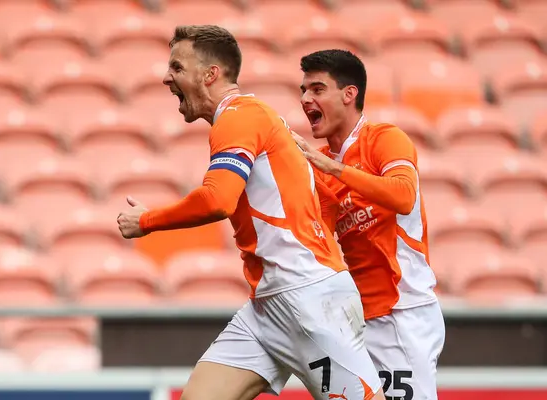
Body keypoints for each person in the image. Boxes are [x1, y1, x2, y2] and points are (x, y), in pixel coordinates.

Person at [117, 26, 385, 400]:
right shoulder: (258, 118)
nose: (166, 77)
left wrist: (147, 221)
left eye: (177, 66)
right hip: (268, 306)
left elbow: (218, 199)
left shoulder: (239, 118)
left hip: (306, 299)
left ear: (210, 74)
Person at [292, 49, 445, 400]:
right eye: (303, 90)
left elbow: (404, 195)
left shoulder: (383, 139)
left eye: (317, 89)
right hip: (358, 318)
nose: (305, 99)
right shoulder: (319, 165)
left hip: (402, 311)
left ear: (349, 94)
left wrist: (332, 169)